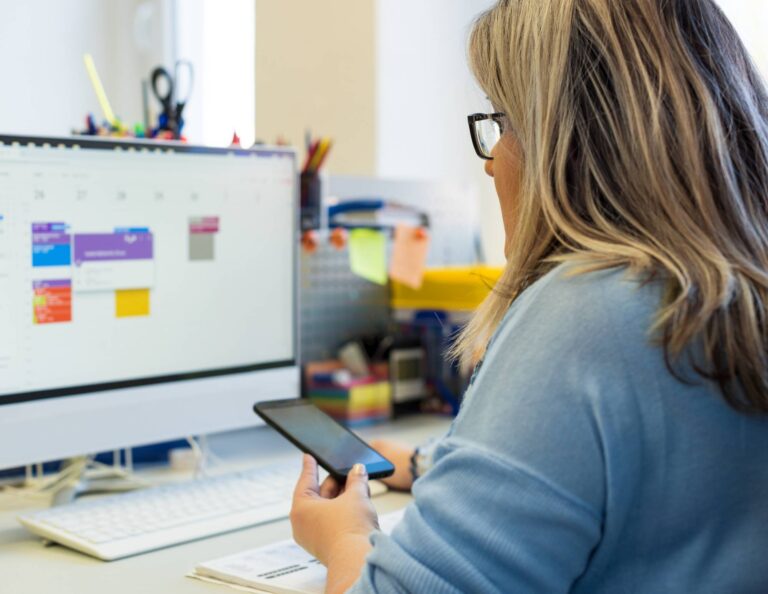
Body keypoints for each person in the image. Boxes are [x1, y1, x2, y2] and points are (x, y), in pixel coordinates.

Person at [291, 0, 768, 592]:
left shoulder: (590, 311)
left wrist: (344, 537)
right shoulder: (727, 294)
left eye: (503, 123)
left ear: (568, 142)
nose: (493, 163)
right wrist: (431, 465)